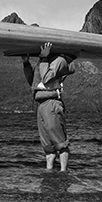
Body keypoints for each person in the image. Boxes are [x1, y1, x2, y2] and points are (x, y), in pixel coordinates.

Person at [22, 42, 76, 171]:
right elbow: (33, 82)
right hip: (42, 105)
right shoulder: (44, 63)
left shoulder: (60, 61)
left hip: (51, 104)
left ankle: (63, 173)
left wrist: (44, 58)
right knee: (48, 146)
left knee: (60, 143)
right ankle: (49, 172)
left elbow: (46, 78)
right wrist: (26, 64)